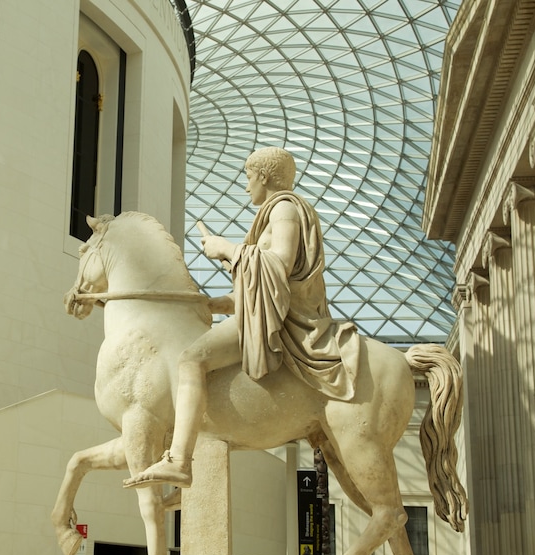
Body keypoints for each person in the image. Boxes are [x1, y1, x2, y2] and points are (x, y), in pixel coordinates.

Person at [123, 146, 359, 489]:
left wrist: (227, 250)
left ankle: (178, 460)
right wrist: (214, 304)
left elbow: (278, 265)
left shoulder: (284, 211)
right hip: (268, 313)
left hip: (285, 323)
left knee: (191, 360)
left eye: (248, 177)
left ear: (263, 177)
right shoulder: (277, 214)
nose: (245, 186)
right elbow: (263, 291)